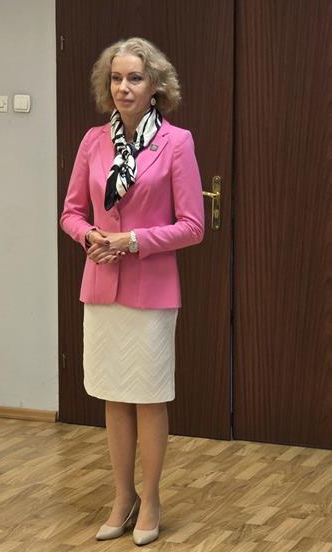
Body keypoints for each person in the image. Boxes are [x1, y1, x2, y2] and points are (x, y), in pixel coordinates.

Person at [60, 37, 204, 545]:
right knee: (114, 398)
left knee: (147, 398)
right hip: (101, 288)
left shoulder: (176, 143)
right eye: (117, 78)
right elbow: (71, 212)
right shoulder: (92, 141)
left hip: (151, 292)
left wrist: (132, 240)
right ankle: (122, 498)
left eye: (135, 78)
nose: (124, 87)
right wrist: (90, 237)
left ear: (155, 86)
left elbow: (192, 226)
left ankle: (152, 497)